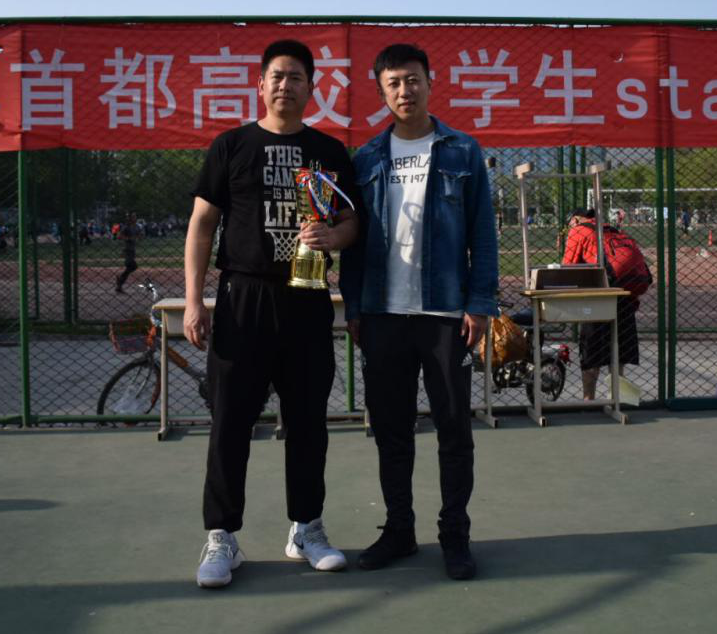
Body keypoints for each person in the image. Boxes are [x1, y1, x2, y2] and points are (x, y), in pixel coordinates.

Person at [184, 39, 359, 589]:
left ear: (312, 88)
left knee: (308, 421)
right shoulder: (232, 145)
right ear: (260, 85)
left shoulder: (328, 152)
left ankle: (306, 528)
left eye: (296, 77)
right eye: (277, 76)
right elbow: (202, 225)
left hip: (307, 299)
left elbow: (352, 222)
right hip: (243, 299)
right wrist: (194, 300)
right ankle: (222, 537)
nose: (286, 85)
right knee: (230, 422)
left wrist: (334, 237)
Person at [340, 43, 498, 581]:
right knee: (392, 431)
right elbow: (355, 243)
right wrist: (355, 306)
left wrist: (479, 304)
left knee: (454, 430)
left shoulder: (462, 151)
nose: (404, 91)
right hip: (382, 314)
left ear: (431, 82)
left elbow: (482, 235)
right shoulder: (366, 159)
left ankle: (455, 535)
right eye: (393, 83)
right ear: (381, 92)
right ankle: (399, 530)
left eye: (412, 80)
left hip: (445, 315)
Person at [561, 209, 642, 400]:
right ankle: (617, 399)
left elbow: (567, 267)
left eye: (569, 224)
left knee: (592, 352)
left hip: (598, 296)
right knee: (618, 351)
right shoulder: (613, 230)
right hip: (624, 295)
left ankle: (588, 399)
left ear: (575, 220)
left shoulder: (578, 230)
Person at [114, 212, 138, 293]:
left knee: (131, 267)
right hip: (127, 250)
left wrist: (138, 237)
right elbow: (119, 236)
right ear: (130, 218)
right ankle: (120, 281)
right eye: (134, 217)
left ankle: (119, 283)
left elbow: (139, 235)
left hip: (132, 249)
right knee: (133, 266)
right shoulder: (126, 227)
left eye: (135, 217)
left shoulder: (135, 227)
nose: (135, 218)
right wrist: (128, 238)